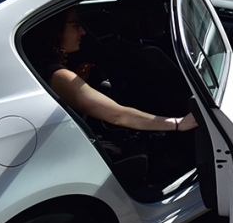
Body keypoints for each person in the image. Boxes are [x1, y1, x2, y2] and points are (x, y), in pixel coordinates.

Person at [28, 7, 197, 133]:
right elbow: (117, 116)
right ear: (55, 30)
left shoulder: (39, 64)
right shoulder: (59, 75)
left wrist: (79, 80)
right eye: (75, 25)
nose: (83, 31)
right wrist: (177, 123)